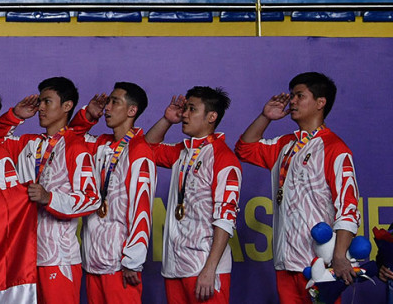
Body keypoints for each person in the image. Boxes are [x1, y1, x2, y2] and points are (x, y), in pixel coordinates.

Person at [235, 72, 360, 303]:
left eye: (299, 96)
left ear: (320, 103)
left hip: (319, 266)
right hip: (286, 263)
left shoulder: (334, 148)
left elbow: (348, 208)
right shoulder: (285, 144)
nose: (292, 101)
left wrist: (339, 256)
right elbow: (245, 148)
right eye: (292, 95)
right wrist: (265, 117)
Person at [0, 77, 99, 304]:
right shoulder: (28, 144)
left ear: (67, 106)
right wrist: (15, 116)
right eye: (40, 102)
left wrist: (49, 198)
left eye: (47, 102)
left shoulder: (76, 147)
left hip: (59, 257)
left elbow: (91, 199)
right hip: (25, 256)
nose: (40, 108)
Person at [144, 87, 242, 304]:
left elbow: (225, 219)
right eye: (185, 109)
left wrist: (210, 269)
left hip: (204, 269)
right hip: (174, 267)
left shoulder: (223, 158)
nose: (184, 115)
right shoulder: (182, 151)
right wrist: (167, 120)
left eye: (192, 109)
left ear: (211, 116)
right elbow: (146, 148)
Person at [69, 82, 156, 304]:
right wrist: (88, 116)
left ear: (132, 110)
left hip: (120, 265)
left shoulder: (139, 150)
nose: (107, 108)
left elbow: (142, 209)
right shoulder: (99, 144)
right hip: (93, 261)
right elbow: (69, 138)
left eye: (115, 102)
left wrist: (133, 261)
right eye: (108, 102)